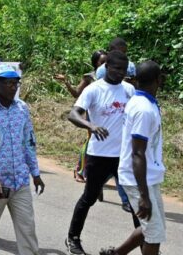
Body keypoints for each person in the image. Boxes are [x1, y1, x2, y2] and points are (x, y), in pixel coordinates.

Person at [65, 50, 136, 255]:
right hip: (99, 155)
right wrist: (91, 125)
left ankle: (147, 245)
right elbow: (73, 114)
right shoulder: (94, 89)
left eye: (124, 70)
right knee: (89, 198)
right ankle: (72, 238)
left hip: (124, 156)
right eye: (116, 69)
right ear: (107, 67)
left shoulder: (129, 90)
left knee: (134, 202)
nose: (120, 73)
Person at [0, 65, 45, 255]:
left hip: (20, 181)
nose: (13, 87)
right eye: (9, 83)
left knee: (27, 231)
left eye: (16, 83)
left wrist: (35, 173)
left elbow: (29, 142)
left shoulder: (21, 108)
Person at [100, 61, 166, 255]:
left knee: (153, 228)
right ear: (158, 80)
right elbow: (137, 153)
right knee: (154, 235)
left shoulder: (144, 103)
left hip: (149, 176)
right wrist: (144, 196)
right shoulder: (143, 109)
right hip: (138, 178)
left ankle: (115, 254)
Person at [55, 50, 108, 183]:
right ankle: (80, 169)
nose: (105, 64)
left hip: (107, 114)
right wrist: (66, 82)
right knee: (91, 140)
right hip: (93, 114)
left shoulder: (111, 76)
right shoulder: (89, 77)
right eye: (102, 62)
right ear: (95, 63)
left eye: (107, 62)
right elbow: (76, 93)